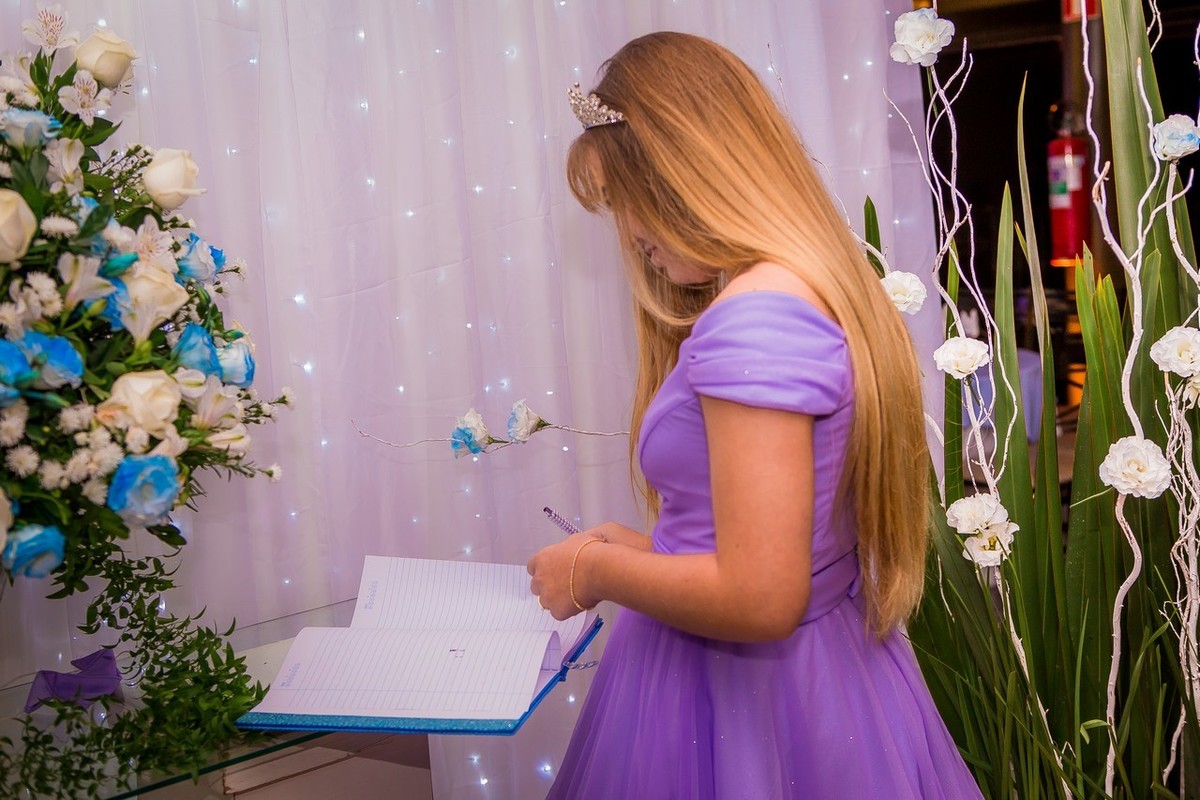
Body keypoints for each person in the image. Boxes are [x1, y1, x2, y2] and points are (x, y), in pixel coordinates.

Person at [527, 31, 983, 800]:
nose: (631, 235)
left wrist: (593, 570)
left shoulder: (753, 320)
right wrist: (635, 545)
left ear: (684, 170)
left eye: (627, 201)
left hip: (747, 701)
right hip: (823, 677)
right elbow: (776, 541)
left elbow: (761, 597)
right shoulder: (805, 287)